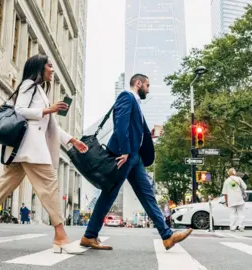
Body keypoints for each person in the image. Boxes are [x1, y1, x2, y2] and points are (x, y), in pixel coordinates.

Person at [0, 54, 88, 254]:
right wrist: (48, 109)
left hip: (25, 151)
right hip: (30, 149)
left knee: (0, 190)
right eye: (49, 66)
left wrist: (71, 139)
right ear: (39, 67)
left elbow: (49, 125)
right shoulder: (29, 85)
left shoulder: (39, 90)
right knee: (50, 187)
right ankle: (61, 237)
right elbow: (20, 111)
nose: (52, 70)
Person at [80, 74, 192, 251]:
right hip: (125, 155)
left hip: (135, 157)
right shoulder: (126, 96)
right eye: (147, 85)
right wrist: (124, 150)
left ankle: (167, 236)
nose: (148, 89)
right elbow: (121, 124)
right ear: (138, 83)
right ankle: (89, 235)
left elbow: (135, 129)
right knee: (109, 194)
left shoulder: (136, 103)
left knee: (148, 196)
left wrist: (150, 135)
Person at [222, 168, 247, 232]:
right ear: (234, 172)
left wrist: (226, 202)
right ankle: (241, 226)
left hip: (231, 200)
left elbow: (225, 193)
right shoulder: (239, 179)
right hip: (239, 199)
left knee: (232, 214)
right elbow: (245, 187)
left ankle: (233, 227)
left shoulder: (226, 181)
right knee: (241, 213)